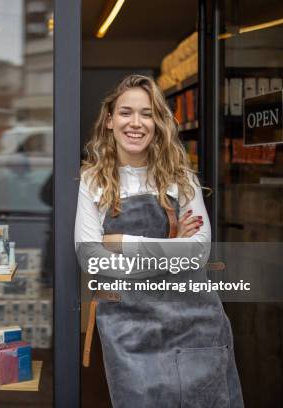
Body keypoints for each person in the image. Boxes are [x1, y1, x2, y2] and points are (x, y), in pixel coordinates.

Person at [75, 75, 243, 407]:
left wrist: (120, 242)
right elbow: (91, 259)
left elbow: (197, 253)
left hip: (195, 323)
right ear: (109, 120)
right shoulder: (91, 181)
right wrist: (172, 245)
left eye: (147, 113)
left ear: (158, 122)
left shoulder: (182, 178)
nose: (135, 123)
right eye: (126, 112)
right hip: (129, 328)